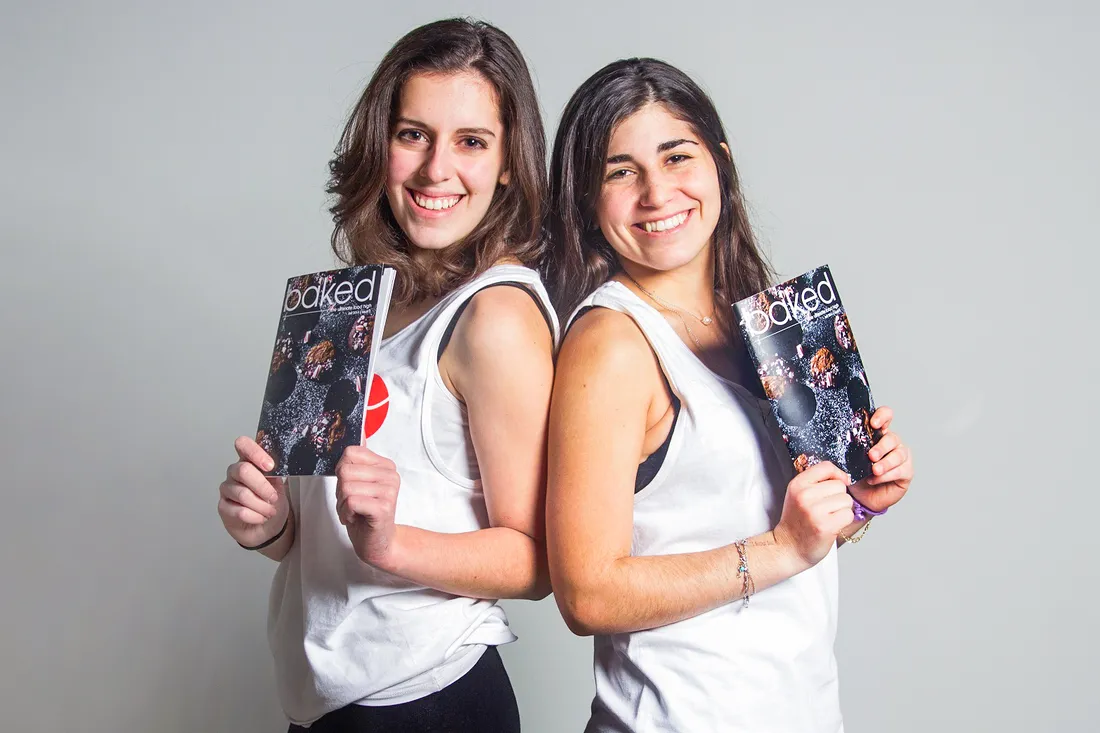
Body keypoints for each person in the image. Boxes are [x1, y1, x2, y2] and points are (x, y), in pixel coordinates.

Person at [544, 58, 914, 732]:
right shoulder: (613, 343)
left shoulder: (765, 322)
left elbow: (771, 521)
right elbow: (586, 591)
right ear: (587, 202)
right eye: (619, 171)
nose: (658, 192)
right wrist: (783, 548)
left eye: (676, 156)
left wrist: (861, 496)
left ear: (720, 162)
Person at [217, 18, 557, 732]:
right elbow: (322, 540)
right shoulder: (353, 300)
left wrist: (392, 542)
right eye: (413, 134)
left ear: (506, 163)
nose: (437, 169)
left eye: (471, 141)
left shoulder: (496, 314)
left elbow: (536, 559)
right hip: (328, 702)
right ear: (381, 144)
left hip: (427, 699)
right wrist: (272, 522)